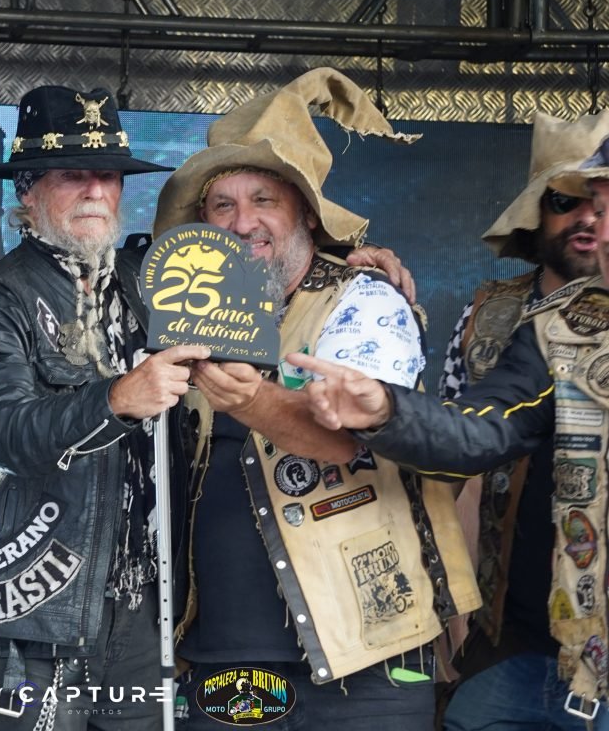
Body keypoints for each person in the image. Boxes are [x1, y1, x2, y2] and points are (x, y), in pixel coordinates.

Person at [295, 121, 609, 728]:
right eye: (598, 208)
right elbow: (479, 431)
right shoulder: (566, 330)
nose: (604, 227)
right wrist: (384, 409)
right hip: (593, 666)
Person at [152, 67, 480, 731]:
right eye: (222, 206)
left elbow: (343, 441)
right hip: (216, 654)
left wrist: (251, 400)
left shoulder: (365, 299)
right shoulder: (174, 308)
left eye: (264, 200)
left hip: (370, 658)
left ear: (305, 210)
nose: (243, 223)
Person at [0, 84, 213, 731]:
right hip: (36, 613)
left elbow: (259, 279)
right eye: (72, 174)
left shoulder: (152, 281)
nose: (94, 191)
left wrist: (350, 262)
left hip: (146, 608)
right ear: (26, 190)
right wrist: (117, 400)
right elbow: (3, 432)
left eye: (107, 175)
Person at [439, 111, 609, 730]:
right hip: (507, 641)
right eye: (567, 200)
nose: (589, 218)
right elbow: (453, 478)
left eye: (607, 202)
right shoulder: (486, 318)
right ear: (537, 212)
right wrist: (455, 616)